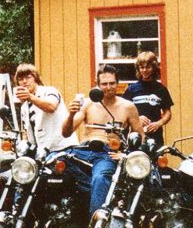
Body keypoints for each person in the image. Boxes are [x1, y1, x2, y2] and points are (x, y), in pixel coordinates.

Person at [62, 64, 145, 216]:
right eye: (104, 84)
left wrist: (126, 155)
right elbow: (66, 133)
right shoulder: (87, 103)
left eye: (112, 83)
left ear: (118, 84)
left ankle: (97, 226)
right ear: (97, 85)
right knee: (50, 164)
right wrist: (71, 114)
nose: (108, 87)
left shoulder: (128, 107)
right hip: (84, 150)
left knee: (100, 179)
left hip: (107, 153)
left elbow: (140, 137)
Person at [13, 63, 78, 157]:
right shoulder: (24, 107)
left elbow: (51, 107)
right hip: (43, 153)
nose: (24, 81)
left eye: (28, 77)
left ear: (35, 78)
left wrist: (30, 97)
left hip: (63, 149)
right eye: (20, 79)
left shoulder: (50, 91)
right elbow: (29, 132)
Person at [122, 51, 173, 147]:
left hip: (156, 137)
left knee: (156, 161)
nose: (144, 70)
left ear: (154, 68)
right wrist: (136, 119)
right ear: (138, 69)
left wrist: (158, 123)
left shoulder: (161, 89)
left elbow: (168, 112)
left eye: (148, 67)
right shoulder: (132, 89)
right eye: (142, 67)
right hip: (135, 137)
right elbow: (123, 111)